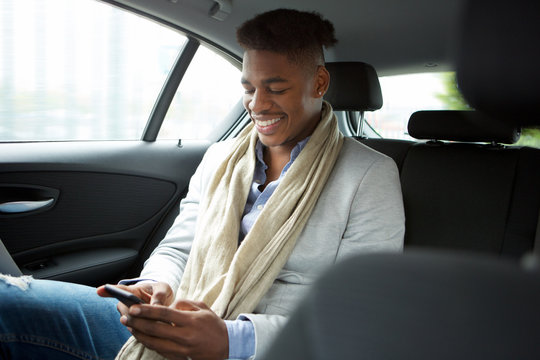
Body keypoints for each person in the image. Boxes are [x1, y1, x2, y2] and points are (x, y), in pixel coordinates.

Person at [0, 8, 404, 360]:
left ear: (318, 83)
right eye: (249, 88)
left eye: (276, 89)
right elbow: (178, 249)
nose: (258, 105)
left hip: (269, 348)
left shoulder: (369, 175)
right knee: (7, 301)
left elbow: (360, 315)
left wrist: (231, 339)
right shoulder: (219, 159)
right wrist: (153, 287)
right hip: (175, 321)